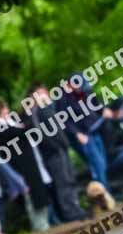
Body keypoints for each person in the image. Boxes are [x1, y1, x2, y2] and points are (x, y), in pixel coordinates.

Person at [27, 83, 88, 222]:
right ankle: (70, 213)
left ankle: (76, 209)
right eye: (41, 93)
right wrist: (57, 147)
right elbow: (43, 135)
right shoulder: (37, 112)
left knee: (70, 180)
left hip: (61, 149)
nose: (45, 94)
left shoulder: (48, 109)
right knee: (63, 183)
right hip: (54, 153)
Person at [0, 98, 54, 232]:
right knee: (31, 194)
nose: (7, 110)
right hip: (20, 163)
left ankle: (45, 222)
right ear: (0, 110)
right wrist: (24, 127)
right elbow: (20, 132)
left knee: (38, 192)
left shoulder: (11, 123)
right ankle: (39, 225)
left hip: (28, 160)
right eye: (4, 108)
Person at [57, 73, 109, 193]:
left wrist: (105, 111)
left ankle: (104, 192)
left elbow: (98, 106)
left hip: (95, 131)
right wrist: (77, 134)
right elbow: (65, 121)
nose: (82, 89)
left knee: (103, 164)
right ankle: (104, 195)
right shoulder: (63, 99)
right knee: (98, 164)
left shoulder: (87, 92)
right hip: (83, 136)